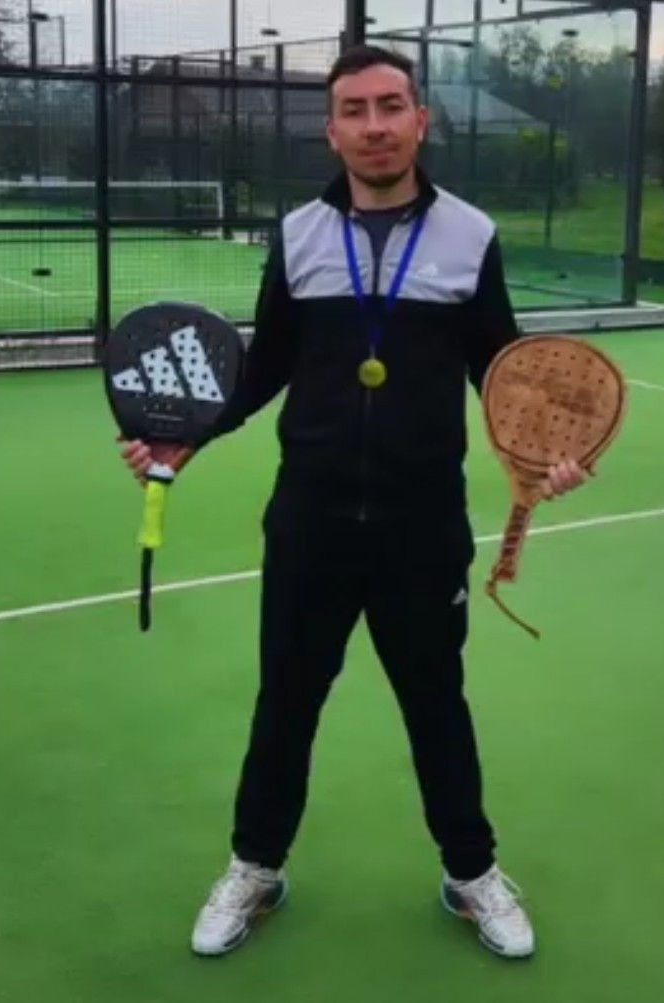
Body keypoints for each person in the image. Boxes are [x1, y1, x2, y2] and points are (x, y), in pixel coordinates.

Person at [120, 44, 588, 960]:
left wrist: (543, 455)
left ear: (420, 119)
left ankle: (470, 873)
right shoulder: (298, 234)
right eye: (354, 110)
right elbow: (267, 363)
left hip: (423, 525)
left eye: (390, 106)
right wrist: (189, 437)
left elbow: (504, 371)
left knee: (435, 703)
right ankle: (256, 866)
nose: (374, 126)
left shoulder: (470, 235)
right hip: (311, 520)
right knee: (286, 703)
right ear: (331, 131)